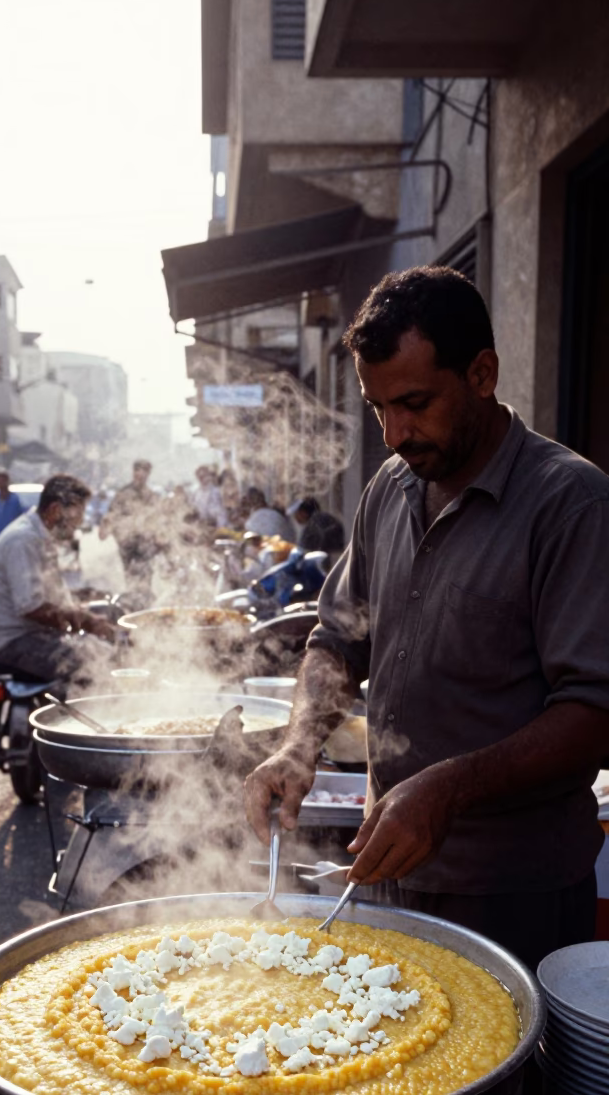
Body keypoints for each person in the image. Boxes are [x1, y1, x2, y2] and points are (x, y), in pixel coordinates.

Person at [245, 265, 609, 971]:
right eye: (377, 407)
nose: (393, 433)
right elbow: (337, 640)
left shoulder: (572, 505)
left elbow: (597, 710)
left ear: (481, 373)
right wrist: (299, 745)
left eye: (413, 403)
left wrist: (448, 787)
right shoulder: (391, 486)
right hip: (386, 871)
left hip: (511, 892)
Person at [0, 474, 115, 682]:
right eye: (73, 522)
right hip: (10, 642)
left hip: (31, 634)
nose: (74, 530)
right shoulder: (23, 540)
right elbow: (32, 607)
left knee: (100, 649)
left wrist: (84, 607)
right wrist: (86, 621)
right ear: (54, 511)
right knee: (92, 664)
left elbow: (53, 595)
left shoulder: (41, 536)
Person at [99, 460, 159, 608]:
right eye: (138, 470)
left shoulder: (151, 496)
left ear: (148, 474)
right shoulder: (123, 494)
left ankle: (144, 608)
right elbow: (111, 515)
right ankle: (133, 607)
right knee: (131, 577)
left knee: (145, 578)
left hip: (146, 545)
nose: (141, 474)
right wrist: (106, 529)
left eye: (145, 471)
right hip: (127, 544)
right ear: (134, 472)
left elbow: (158, 518)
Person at [0, 469, 24, 543]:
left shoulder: (15, 499)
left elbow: (19, 517)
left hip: (12, 536)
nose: (1, 482)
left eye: (3, 479)